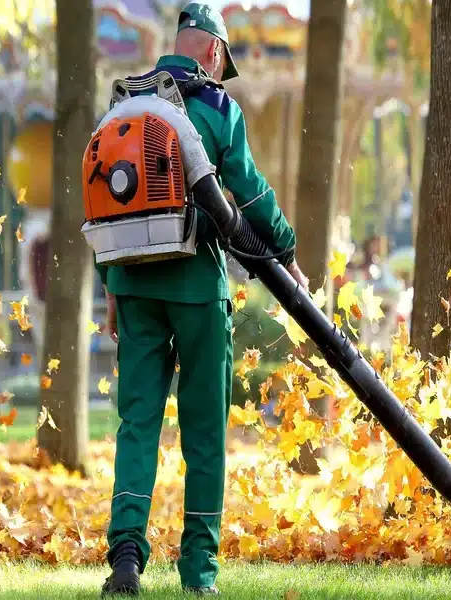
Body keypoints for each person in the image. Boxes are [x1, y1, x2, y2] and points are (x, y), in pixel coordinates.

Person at [95, 3, 308, 596]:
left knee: (136, 423)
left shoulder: (125, 106)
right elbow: (250, 193)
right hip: (196, 289)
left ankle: (127, 555)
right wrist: (286, 250)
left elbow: (106, 201)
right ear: (214, 52)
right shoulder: (217, 107)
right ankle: (199, 572)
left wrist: (111, 286)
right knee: (205, 431)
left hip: (134, 286)